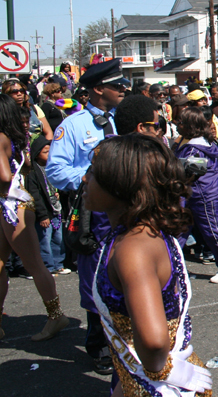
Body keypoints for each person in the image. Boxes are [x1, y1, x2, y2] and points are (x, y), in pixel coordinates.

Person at [87, 134, 212, 397]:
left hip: (159, 393)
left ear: (120, 184)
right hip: (140, 379)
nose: (85, 180)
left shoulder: (134, 247)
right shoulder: (137, 233)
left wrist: (164, 371)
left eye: (93, 173)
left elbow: (154, 341)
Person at [45, 57, 128, 374]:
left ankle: (123, 336)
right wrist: (89, 176)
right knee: (97, 276)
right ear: (97, 89)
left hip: (123, 212)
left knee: (124, 274)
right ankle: (100, 345)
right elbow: (55, 170)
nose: (123, 89)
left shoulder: (120, 120)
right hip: (95, 215)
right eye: (116, 85)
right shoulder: (74, 126)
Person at [0, 95, 69, 341]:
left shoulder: (1, 138)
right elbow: (26, 166)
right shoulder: (16, 138)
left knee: (34, 264)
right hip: (13, 202)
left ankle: (56, 315)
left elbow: (5, 176)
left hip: (12, 205)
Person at [174, 107, 218, 283]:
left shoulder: (197, 146)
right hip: (188, 195)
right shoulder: (185, 142)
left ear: (191, 126)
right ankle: (174, 269)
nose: (178, 125)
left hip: (203, 194)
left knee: (212, 231)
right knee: (179, 233)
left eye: (181, 122)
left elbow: (191, 173)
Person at [26, 137, 69, 275]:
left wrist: (59, 193)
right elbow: (35, 196)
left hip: (56, 209)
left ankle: (58, 264)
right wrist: (42, 215)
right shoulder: (33, 173)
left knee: (58, 239)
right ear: (37, 153)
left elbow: (60, 184)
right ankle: (47, 266)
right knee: (45, 240)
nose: (49, 155)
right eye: (45, 152)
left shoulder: (52, 168)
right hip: (45, 212)